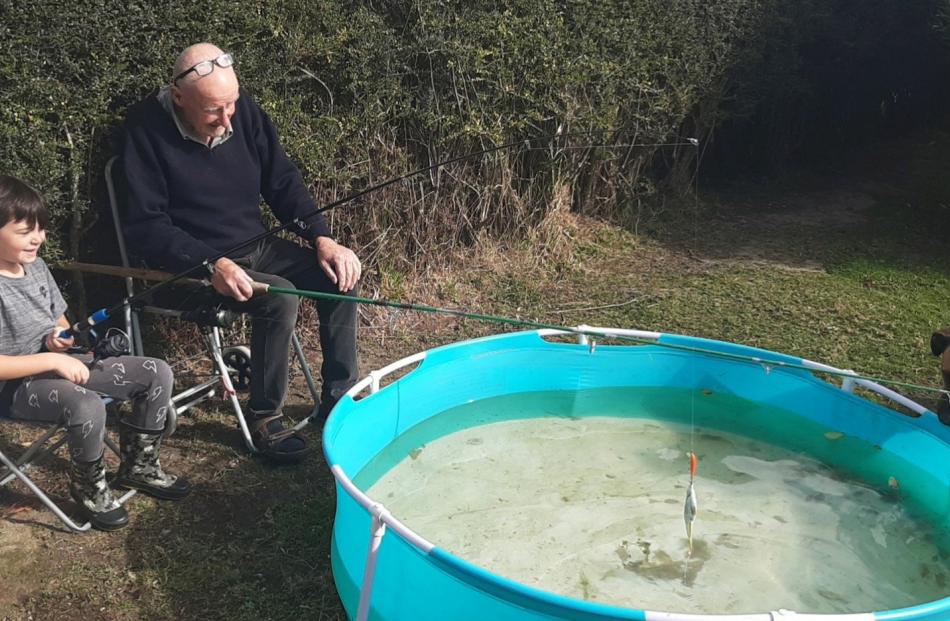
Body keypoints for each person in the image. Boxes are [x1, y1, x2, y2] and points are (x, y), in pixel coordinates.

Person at [121, 43, 361, 463]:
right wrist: (211, 263)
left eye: (231, 104)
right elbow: (147, 226)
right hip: (190, 268)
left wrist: (322, 237)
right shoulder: (143, 130)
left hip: (257, 245)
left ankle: (341, 398)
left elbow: (281, 180)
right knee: (280, 296)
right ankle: (265, 417)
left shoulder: (240, 109)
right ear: (179, 97)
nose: (227, 117)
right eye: (214, 109)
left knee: (337, 277)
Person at [0, 175, 190, 531]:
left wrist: (60, 340)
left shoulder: (36, 267)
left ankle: (140, 466)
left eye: (41, 229)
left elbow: (58, 323)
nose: (38, 238)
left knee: (156, 371)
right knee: (84, 402)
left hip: (56, 365)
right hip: (12, 387)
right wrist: (52, 359)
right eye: (26, 231)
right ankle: (88, 486)